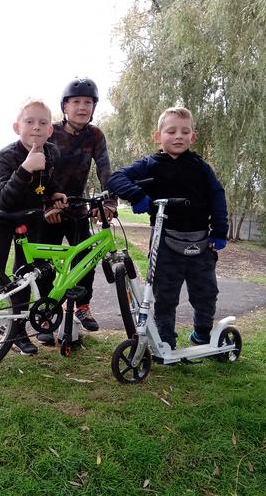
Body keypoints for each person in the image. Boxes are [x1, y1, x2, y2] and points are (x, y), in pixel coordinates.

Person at [107, 106, 228, 350]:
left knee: (206, 293)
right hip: (165, 242)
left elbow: (217, 196)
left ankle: (202, 333)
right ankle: (165, 340)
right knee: (165, 296)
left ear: (192, 137)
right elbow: (116, 178)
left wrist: (219, 231)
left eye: (185, 132)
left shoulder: (201, 168)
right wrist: (137, 194)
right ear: (158, 136)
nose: (178, 136)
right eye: (171, 131)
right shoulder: (151, 164)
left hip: (201, 242)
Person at [0, 98, 62, 358]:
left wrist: (55, 194)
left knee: (25, 276)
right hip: (2, 220)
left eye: (43, 123)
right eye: (29, 122)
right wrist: (25, 168)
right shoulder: (5, 156)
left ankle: (17, 332)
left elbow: (48, 182)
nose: (36, 128)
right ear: (16, 127)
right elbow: (4, 198)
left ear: (50, 130)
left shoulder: (53, 152)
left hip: (30, 221)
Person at [36, 77, 117, 345]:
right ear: (65, 106)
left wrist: (109, 202)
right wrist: (48, 202)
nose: (83, 107)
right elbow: (38, 169)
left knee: (86, 258)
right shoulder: (52, 131)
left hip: (78, 208)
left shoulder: (95, 135)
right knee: (45, 265)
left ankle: (82, 306)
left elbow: (104, 168)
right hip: (50, 208)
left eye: (88, 102)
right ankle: (47, 314)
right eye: (76, 102)